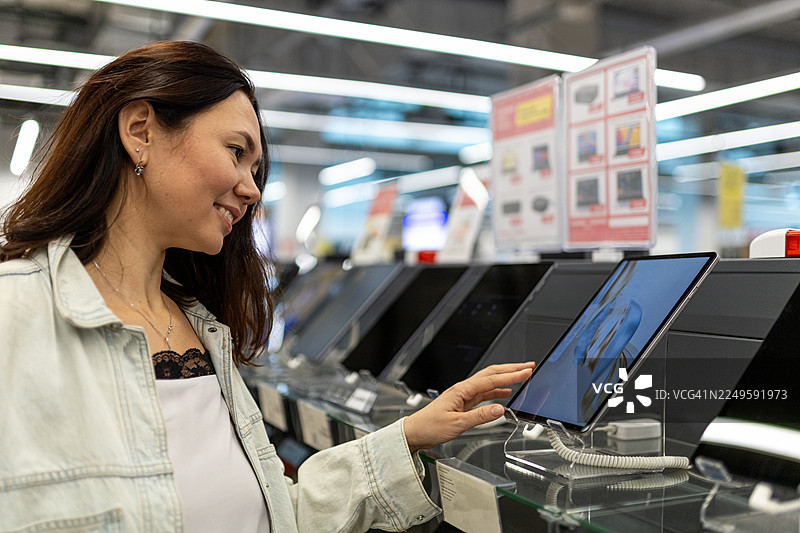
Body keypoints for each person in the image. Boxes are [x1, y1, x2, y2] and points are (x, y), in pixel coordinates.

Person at [0, 41, 535, 532]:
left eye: (257, 169)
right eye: (236, 151)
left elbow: (272, 514)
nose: (252, 189)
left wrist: (408, 436)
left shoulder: (202, 329)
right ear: (140, 131)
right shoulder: (14, 313)